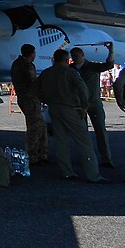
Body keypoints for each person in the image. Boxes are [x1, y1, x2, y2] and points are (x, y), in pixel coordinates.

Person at [35, 48, 108, 183]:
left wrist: (45, 100)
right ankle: (93, 175)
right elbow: (83, 90)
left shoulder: (46, 73)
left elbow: (36, 89)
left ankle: (67, 172)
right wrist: (84, 106)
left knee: (61, 141)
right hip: (71, 108)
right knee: (84, 141)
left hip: (54, 108)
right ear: (66, 59)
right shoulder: (70, 73)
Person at [70, 43, 115, 168]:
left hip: (93, 103)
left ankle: (106, 159)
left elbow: (109, 65)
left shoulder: (92, 66)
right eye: (73, 56)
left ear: (83, 55)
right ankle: (87, 157)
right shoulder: (70, 68)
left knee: (100, 130)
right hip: (79, 104)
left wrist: (111, 51)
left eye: (76, 56)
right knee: (82, 132)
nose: (75, 58)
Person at [10, 44, 48, 165]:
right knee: (35, 127)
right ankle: (34, 155)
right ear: (32, 54)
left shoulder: (16, 63)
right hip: (30, 98)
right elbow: (34, 82)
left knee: (39, 125)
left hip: (24, 98)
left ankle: (40, 154)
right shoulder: (27, 65)